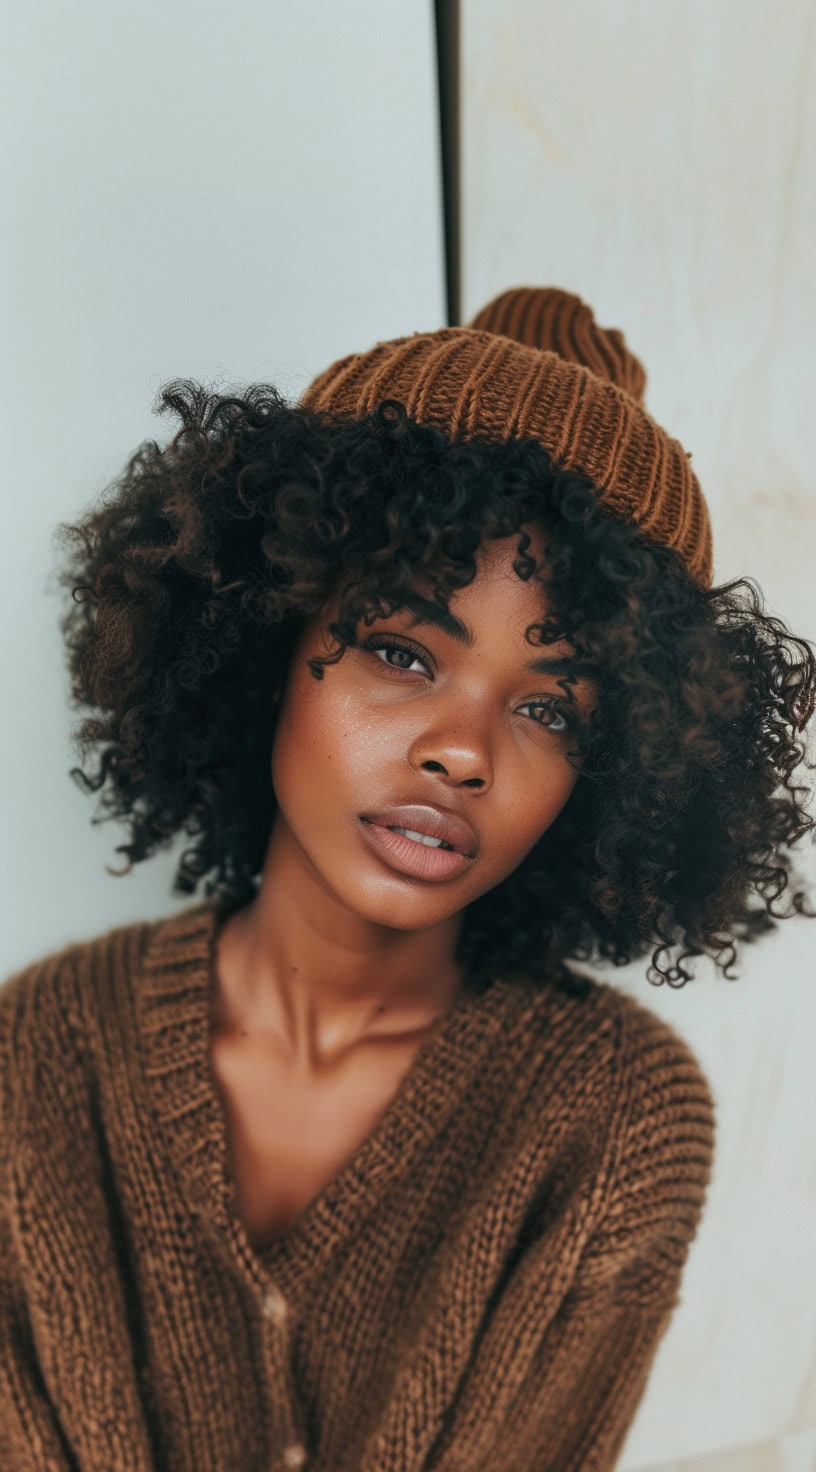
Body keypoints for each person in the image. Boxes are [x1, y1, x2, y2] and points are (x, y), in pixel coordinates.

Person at [1, 286, 813, 1471]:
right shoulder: (29, 1060)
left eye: (547, 707)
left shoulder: (616, 1119)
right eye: (400, 651)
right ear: (264, 634)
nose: (465, 750)